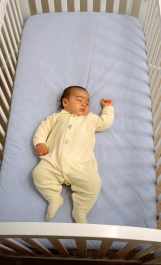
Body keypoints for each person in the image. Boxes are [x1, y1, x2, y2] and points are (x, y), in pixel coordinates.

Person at [32, 86, 114, 223]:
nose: (84, 104)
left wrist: (108, 108)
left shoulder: (90, 119)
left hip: (80, 166)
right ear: (65, 103)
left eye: (87, 103)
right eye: (80, 100)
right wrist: (39, 143)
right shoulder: (57, 117)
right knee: (39, 174)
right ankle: (54, 198)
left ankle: (80, 210)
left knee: (93, 184)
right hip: (53, 162)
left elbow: (105, 123)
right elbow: (43, 128)